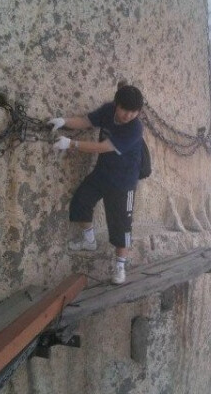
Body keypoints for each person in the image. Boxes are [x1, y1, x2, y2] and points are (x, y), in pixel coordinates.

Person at [48, 84, 144, 285]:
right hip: (104, 171)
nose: (128, 115)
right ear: (117, 105)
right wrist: (63, 121)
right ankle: (89, 241)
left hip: (124, 180)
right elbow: (86, 121)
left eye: (134, 112)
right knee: (81, 200)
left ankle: (120, 266)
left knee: (121, 224)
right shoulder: (108, 110)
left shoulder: (135, 128)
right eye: (125, 109)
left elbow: (103, 147)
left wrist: (71, 144)